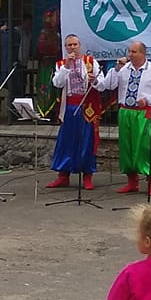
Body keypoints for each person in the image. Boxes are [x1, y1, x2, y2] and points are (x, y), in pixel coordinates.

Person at [98, 40, 151, 195]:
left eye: (134, 52)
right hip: (125, 111)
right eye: (129, 51)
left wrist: (148, 100)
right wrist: (116, 69)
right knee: (126, 146)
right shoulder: (123, 69)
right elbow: (109, 85)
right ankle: (132, 181)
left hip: (143, 113)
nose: (130, 54)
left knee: (143, 146)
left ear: (143, 53)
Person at [47, 34, 103, 190]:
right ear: (65, 47)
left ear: (80, 45)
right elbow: (57, 83)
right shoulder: (61, 64)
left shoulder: (90, 62)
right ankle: (63, 175)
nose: (72, 47)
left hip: (87, 108)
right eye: (69, 45)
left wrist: (94, 80)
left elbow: (102, 85)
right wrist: (66, 66)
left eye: (75, 44)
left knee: (86, 142)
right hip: (69, 108)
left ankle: (87, 176)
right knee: (66, 142)